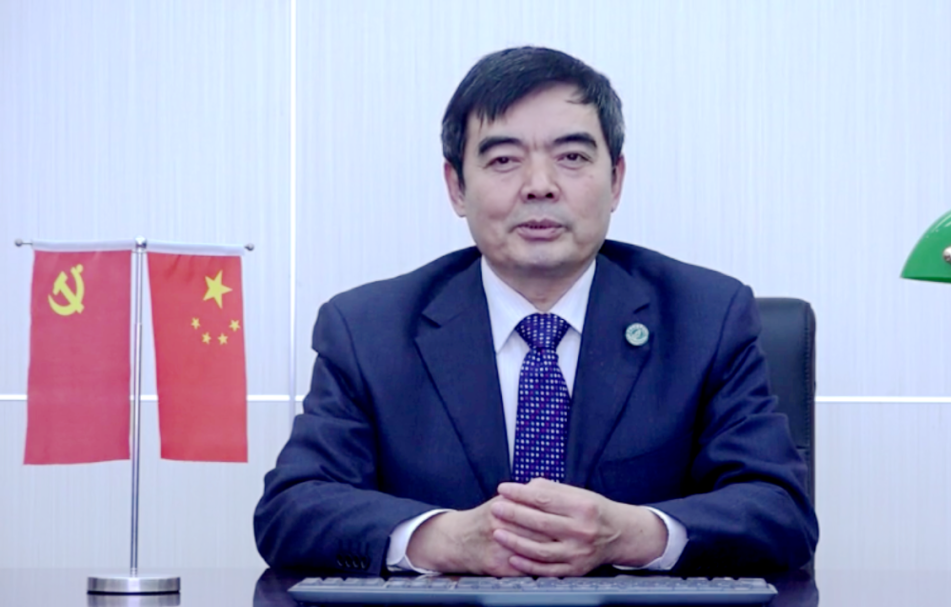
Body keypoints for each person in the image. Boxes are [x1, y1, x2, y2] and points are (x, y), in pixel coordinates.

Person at [254, 46, 817, 577]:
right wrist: (445, 539)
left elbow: (779, 509)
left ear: (616, 181)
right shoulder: (368, 330)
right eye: (504, 160)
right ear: (456, 187)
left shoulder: (706, 318)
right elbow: (292, 510)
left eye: (572, 157)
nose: (540, 186)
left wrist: (628, 534)